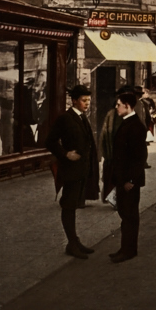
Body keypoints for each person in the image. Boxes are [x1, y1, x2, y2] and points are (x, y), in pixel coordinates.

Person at [45, 84, 100, 258]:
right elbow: (50, 141)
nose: (87, 104)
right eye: (84, 100)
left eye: (89, 100)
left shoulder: (83, 117)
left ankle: (75, 241)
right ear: (74, 100)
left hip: (82, 170)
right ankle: (71, 244)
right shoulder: (65, 118)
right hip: (71, 171)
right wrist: (65, 154)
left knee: (74, 206)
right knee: (68, 206)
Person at [108, 90, 147, 262]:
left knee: (129, 216)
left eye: (119, 105)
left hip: (129, 181)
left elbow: (140, 157)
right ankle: (126, 248)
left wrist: (130, 180)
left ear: (128, 106)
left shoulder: (135, 126)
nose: (116, 107)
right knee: (125, 215)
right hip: (123, 179)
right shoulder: (126, 122)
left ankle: (129, 250)